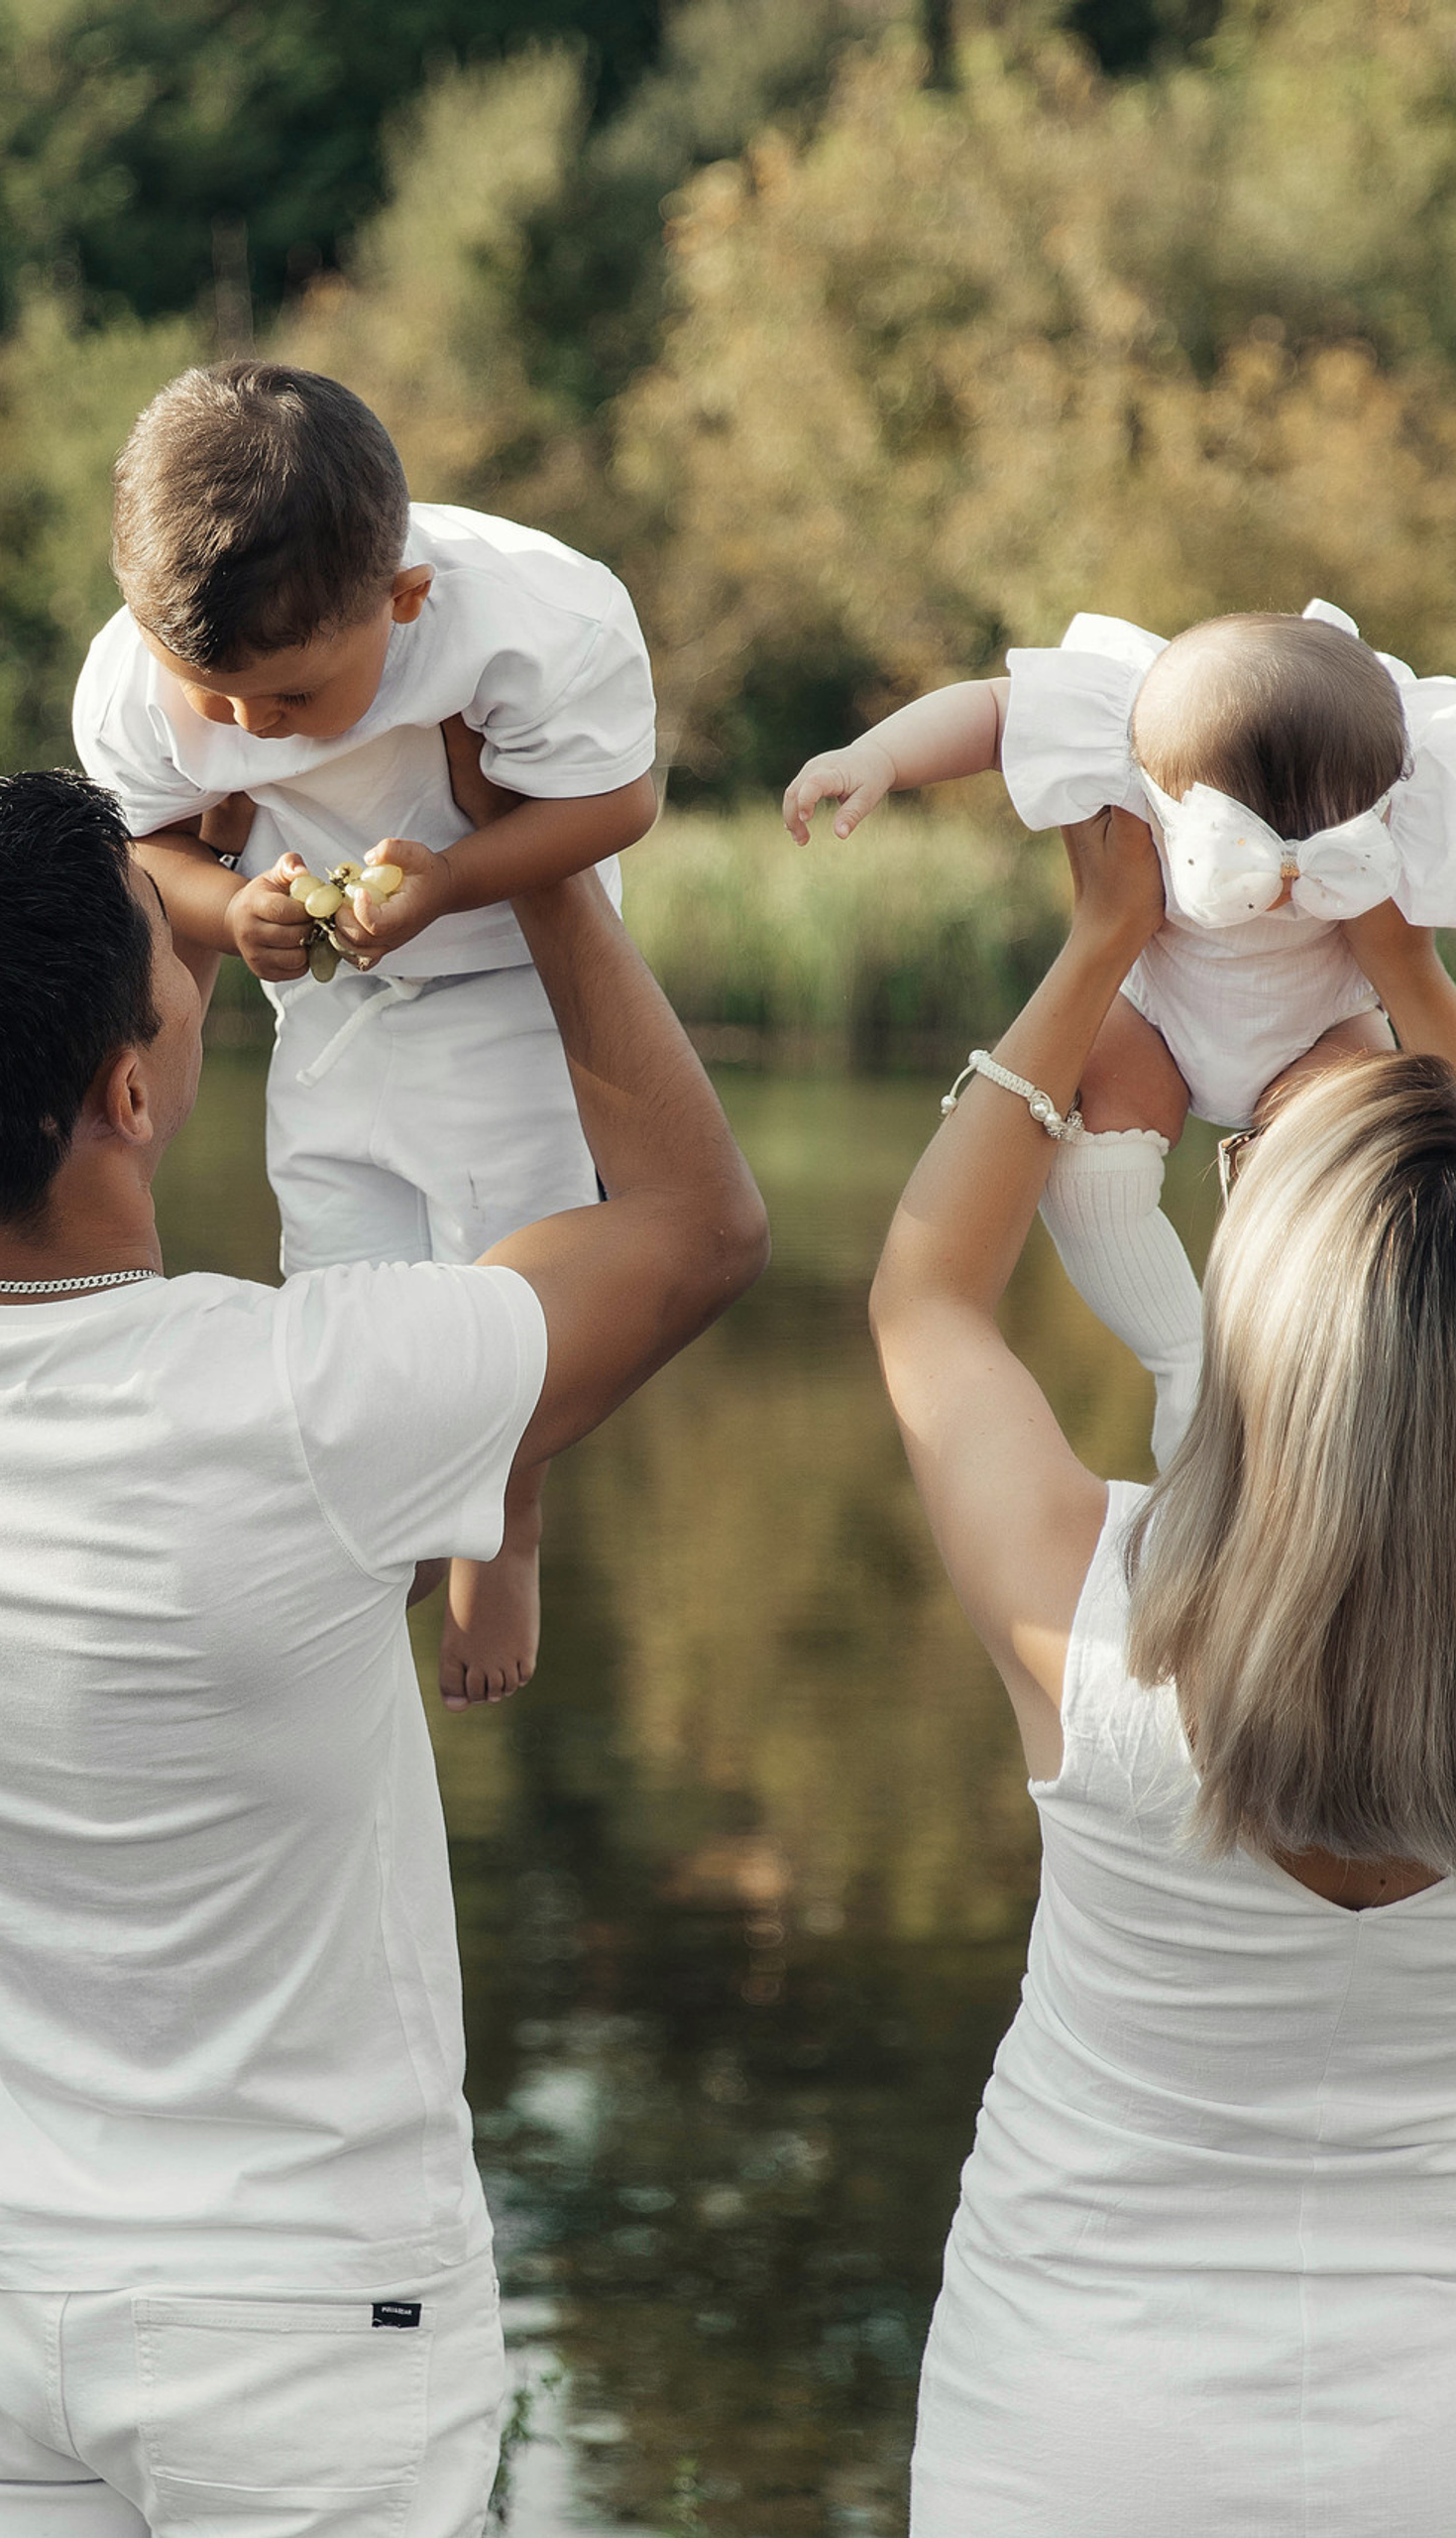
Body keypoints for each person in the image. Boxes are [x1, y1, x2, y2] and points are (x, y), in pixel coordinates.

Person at [0, 768, 764, 2533]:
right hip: (302, 2340)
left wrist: (174, 845)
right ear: (131, 1089)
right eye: (176, 944)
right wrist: (541, 857)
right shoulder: (302, 1406)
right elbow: (697, 1230)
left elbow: (12, 1122)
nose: (200, 936)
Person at [870, 802, 1456, 2536]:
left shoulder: (1096, 1610)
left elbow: (926, 1295)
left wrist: (1102, 944)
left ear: (1258, 1307)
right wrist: (1402, 967)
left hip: (1074, 2436)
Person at [71, 360, 663, 1706]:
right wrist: (229, 909)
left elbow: (616, 803)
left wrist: (453, 879)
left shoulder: (530, 620)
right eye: (209, 695)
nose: (249, 729)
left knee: (510, 1285)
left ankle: (505, 1524)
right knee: (340, 1281)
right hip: (331, 1001)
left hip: (509, 978)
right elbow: (148, 850)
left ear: (401, 602)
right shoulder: (132, 682)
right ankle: (364, 1530)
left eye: (288, 700)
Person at [786, 602, 1456, 1467]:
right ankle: (1183, 1358)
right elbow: (993, 713)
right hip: (1155, 1010)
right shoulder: (1134, 732)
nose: (1290, 876)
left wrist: (1407, 962)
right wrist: (877, 757)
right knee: (1089, 1143)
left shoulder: (1411, 762)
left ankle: (1294, 1373)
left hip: (1325, 1024)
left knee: (1354, 1152)